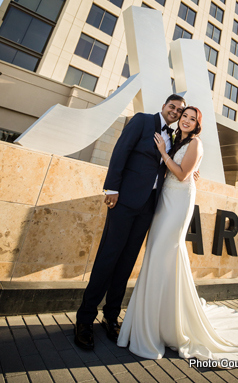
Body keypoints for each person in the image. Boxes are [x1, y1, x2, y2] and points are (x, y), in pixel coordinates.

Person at [117, 106, 238, 364]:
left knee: (166, 251)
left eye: (191, 118)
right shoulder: (180, 141)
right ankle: (155, 319)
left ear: (197, 124)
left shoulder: (196, 143)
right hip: (164, 198)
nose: (186, 121)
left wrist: (165, 154)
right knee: (157, 254)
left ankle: (160, 325)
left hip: (177, 203)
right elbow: (178, 171)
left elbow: (182, 173)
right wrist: (172, 159)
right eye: (184, 117)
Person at [74, 94, 186, 350]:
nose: (176, 112)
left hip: (149, 207)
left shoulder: (176, 137)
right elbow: (121, 150)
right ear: (164, 105)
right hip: (124, 202)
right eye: (173, 107)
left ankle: (111, 317)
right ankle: (84, 320)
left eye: (180, 111)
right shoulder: (143, 121)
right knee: (107, 259)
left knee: (126, 263)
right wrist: (111, 188)